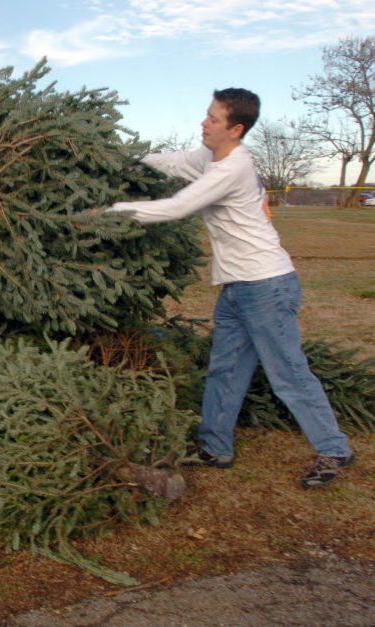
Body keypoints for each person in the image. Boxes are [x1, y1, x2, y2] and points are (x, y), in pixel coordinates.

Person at [103, 88, 353, 488]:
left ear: (235, 129)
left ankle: (333, 448)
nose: (204, 122)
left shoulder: (231, 168)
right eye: (206, 115)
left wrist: (107, 214)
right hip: (237, 288)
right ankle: (215, 447)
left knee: (287, 372)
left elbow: (176, 207)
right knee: (226, 368)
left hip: (266, 285)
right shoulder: (210, 158)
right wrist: (122, 158)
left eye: (214, 119)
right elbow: (175, 161)